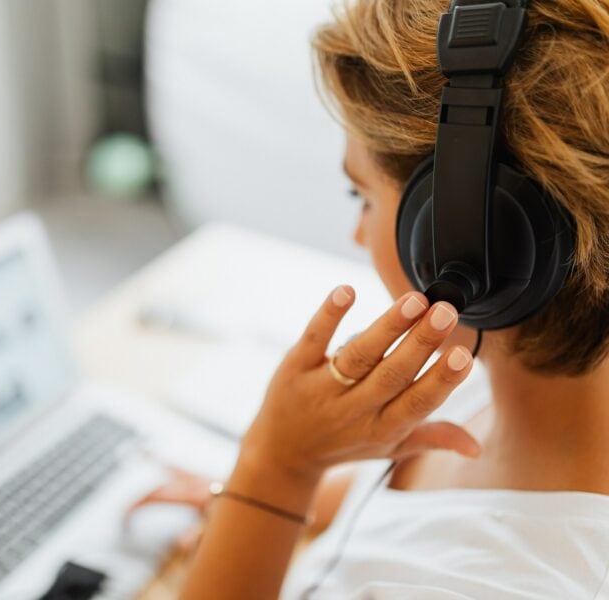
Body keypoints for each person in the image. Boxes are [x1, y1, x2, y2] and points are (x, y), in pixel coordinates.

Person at [130, 0, 609, 597]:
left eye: (363, 197)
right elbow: (417, 500)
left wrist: (276, 468)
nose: (357, 234)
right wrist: (260, 505)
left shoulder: (492, 583)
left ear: (477, 240)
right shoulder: (513, 379)